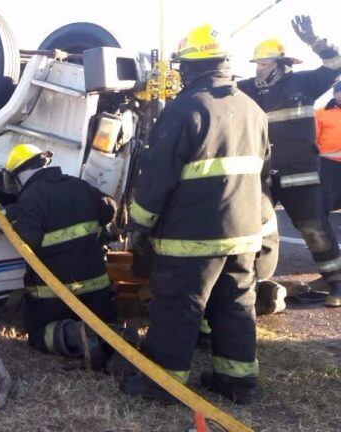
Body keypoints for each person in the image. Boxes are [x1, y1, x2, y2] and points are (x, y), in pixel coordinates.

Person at [121, 25, 269, 405]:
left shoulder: (186, 108)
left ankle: (162, 386)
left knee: (179, 308)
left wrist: (139, 223)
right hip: (244, 234)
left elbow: (158, 177)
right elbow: (262, 168)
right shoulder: (253, 109)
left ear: (191, 67)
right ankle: (236, 383)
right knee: (235, 305)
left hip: (192, 236)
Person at [238, 16, 341, 308]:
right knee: (257, 229)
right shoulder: (248, 89)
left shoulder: (304, 82)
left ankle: (336, 282)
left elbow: (336, 67)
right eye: (257, 64)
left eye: (264, 63)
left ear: (282, 64)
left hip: (300, 174)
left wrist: (317, 42)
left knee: (313, 226)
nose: (258, 69)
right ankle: (253, 286)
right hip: (263, 175)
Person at [4, 144, 115, 369]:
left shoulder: (31, 198)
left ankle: (76, 335)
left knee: (37, 336)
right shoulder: (79, 185)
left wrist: (14, 217)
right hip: (98, 294)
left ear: (19, 176)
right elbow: (109, 209)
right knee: (102, 322)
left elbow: (28, 242)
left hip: (56, 299)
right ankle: (110, 335)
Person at [316, 81, 341, 213]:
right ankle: (320, 229)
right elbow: (313, 140)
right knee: (326, 200)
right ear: (335, 93)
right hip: (328, 164)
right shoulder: (321, 113)